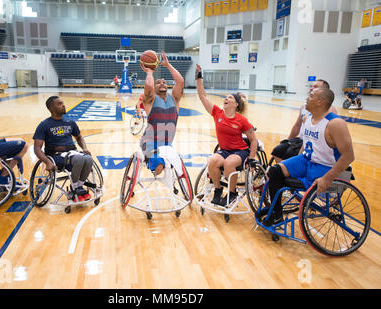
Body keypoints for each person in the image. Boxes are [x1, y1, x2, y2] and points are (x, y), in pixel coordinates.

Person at [263, 87, 355, 226]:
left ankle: (275, 210)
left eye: (311, 96)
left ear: (320, 102)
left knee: (285, 179)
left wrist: (327, 178)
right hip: (307, 160)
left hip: (327, 167)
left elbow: (349, 156)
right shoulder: (307, 118)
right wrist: (293, 164)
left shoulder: (335, 124)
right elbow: (306, 146)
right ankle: (276, 213)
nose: (306, 98)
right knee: (275, 171)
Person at [195, 64, 258, 206]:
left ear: (236, 104)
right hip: (224, 150)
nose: (226, 98)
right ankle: (218, 190)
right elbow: (202, 96)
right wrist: (199, 77)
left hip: (240, 151)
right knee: (212, 161)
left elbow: (253, 140)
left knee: (229, 163)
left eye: (229, 97)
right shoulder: (217, 113)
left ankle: (232, 192)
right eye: (226, 97)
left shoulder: (242, 120)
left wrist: (252, 158)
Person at [33, 96, 94, 202]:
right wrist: (47, 162)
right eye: (59, 104)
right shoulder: (44, 125)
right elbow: (37, 148)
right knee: (79, 159)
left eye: (63, 103)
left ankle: (79, 187)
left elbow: (79, 138)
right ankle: (74, 189)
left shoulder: (70, 122)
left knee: (88, 159)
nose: (63, 105)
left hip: (72, 152)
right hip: (55, 156)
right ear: (51, 108)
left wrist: (84, 148)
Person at [271, 79, 338, 164]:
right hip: (301, 140)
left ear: (324, 92)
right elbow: (297, 126)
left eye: (316, 87)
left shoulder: (330, 111)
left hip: (315, 145)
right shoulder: (304, 107)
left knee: (289, 155)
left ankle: (291, 173)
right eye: (312, 86)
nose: (311, 88)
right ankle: (285, 174)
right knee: (277, 151)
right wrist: (288, 140)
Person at [139, 51, 184, 176]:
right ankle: (152, 162)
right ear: (154, 87)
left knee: (177, 166)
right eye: (158, 82)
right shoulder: (150, 100)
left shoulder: (174, 98)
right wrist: (149, 72)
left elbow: (180, 81)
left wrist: (168, 65)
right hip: (148, 142)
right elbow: (148, 86)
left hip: (167, 144)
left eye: (164, 82)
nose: (162, 83)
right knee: (159, 166)